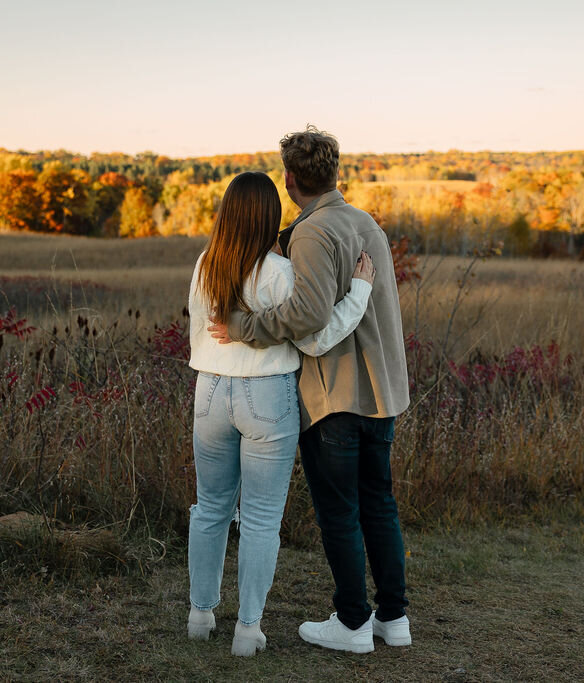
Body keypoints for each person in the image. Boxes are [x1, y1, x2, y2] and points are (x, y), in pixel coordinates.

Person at [209, 127, 411, 654]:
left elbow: (307, 315)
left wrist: (243, 327)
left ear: (290, 178)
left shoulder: (312, 233)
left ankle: (352, 623)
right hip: (382, 393)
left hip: (337, 397)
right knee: (378, 504)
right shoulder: (366, 224)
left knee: (339, 511)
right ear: (335, 173)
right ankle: (394, 618)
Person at [186, 171, 376, 656]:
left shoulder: (205, 264)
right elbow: (316, 337)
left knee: (210, 508)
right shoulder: (279, 272)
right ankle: (247, 631)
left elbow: (198, 333)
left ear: (227, 213)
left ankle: (200, 615)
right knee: (261, 519)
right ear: (271, 217)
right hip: (266, 395)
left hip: (209, 392)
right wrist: (357, 292)